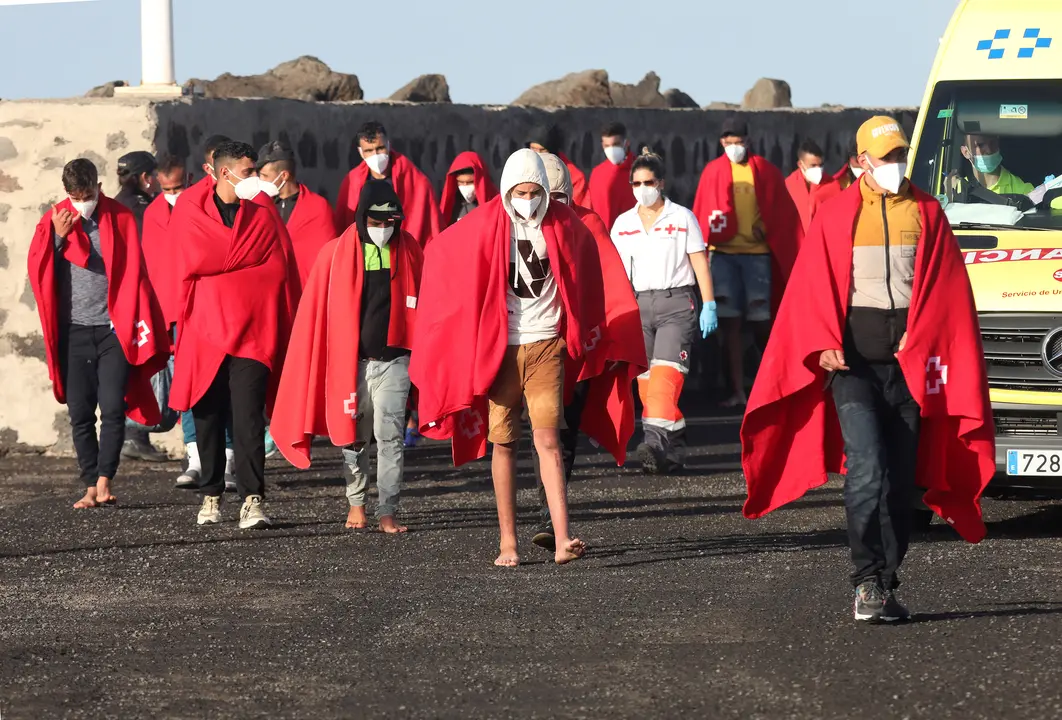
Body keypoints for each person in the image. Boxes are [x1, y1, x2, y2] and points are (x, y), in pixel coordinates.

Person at [741, 116, 995, 623]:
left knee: (903, 483)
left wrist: (924, 340)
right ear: (861, 162)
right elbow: (811, 288)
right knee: (867, 472)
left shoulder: (928, 211)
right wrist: (820, 345)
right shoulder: (836, 215)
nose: (895, 165)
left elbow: (946, 292)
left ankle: (885, 579)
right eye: (884, 158)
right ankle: (864, 581)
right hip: (853, 367)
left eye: (900, 155)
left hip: (910, 368)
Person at [411, 149, 639, 567]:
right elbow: (442, 255)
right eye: (520, 192)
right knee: (503, 443)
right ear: (506, 191)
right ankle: (508, 543)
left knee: (548, 439)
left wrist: (579, 334)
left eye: (535, 192)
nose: (528, 199)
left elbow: (588, 271)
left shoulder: (566, 225)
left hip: (546, 346)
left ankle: (563, 538)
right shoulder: (483, 225)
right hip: (502, 347)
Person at [271, 180, 423, 534]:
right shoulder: (334, 253)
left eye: (390, 222)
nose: (384, 229)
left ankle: (388, 510)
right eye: (376, 221)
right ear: (360, 218)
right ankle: (356, 502)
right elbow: (315, 316)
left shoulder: (411, 250)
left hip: (395, 361)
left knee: (389, 436)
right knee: (353, 437)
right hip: (350, 364)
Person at [169, 141, 300, 529]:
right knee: (207, 415)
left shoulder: (263, 213)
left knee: (248, 419)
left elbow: (278, 269)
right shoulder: (191, 212)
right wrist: (239, 265)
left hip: (253, 332)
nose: (255, 178)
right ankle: (211, 493)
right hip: (205, 331)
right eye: (248, 172)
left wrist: (222, 270)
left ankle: (252, 499)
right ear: (225, 172)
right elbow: (187, 262)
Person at [27, 159, 168, 508]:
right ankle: (90, 482)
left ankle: (105, 479)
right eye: (75, 196)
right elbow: (41, 272)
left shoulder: (119, 217)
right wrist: (60, 239)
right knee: (79, 412)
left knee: (112, 407)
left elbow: (134, 269)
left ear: (98, 186)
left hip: (112, 330)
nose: (82, 201)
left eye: (87, 194)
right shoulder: (55, 219)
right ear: (67, 193)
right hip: (74, 330)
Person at [528, 153, 646, 551]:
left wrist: (612, 341)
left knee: (565, 431)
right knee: (543, 430)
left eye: (560, 195)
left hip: (577, 349)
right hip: (535, 341)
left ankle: (549, 515)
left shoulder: (588, 223)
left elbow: (612, 286)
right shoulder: (517, 226)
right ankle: (546, 514)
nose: (553, 204)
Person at [613, 149, 717, 473]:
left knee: (663, 381)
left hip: (677, 305)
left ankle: (654, 446)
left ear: (661, 182)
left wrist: (709, 303)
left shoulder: (682, 217)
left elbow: (699, 261)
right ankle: (675, 447)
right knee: (647, 385)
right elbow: (614, 269)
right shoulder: (623, 223)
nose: (643, 188)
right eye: (637, 183)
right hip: (638, 307)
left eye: (649, 182)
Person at [692, 116, 802, 408]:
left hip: (757, 257)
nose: (733, 147)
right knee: (730, 327)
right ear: (721, 143)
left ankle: (774, 386)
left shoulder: (765, 170)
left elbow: (783, 214)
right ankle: (737, 391)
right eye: (728, 142)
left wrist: (768, 228)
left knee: (762, 324)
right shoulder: (712, 172)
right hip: (723, 256)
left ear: (748, 141)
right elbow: (700, 214)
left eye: (738, 141)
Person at [112, 150, 171, 462]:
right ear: (146, 177)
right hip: (141, 294)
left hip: (119, 297)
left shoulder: (115, 203)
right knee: (146, 363)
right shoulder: (141, 208)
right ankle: (135, 433)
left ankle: (130, 434)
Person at [334, 121, 441, 246]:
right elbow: (343, 225)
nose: (375, 155)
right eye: (369, 150)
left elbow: (432, 228)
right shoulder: (352, 181)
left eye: (380, 148)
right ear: (360, 152)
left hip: (404, 250)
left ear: (388, 145)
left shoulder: (415, 180)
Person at [256, 140, 337, 285]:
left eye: (265, 176)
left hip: (305, 292)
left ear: (284, 176)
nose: (260, 181)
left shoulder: (317, 208)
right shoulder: (261, 208)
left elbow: (328, 261)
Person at [786, 139, 843, 233]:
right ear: (800, 164)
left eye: (820, 165)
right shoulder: (789, 186)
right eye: (813, 165)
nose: (818, 169)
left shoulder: (832, 185)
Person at [588, 122, 636, 230]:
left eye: (616, 144)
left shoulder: (640, 171)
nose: (611, 150)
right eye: (607, 146)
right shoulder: (597, 173)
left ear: (626, 143)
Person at [527, 124, 588, 207]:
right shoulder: (524, 168)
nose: (538, 154)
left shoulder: (574, 177)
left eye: (542, 150)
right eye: (533, 149)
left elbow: (577, 211)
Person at [958, 133, 1033, 195]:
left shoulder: (1024, 190)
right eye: (980, 145)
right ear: (966, 152)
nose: (989, 150)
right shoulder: (958, 189)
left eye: (993, 142)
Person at [439, 151, 498, 228]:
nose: (465, 186)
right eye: (460, 182)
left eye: (470, 182)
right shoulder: (451, 207)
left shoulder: (495, 205)